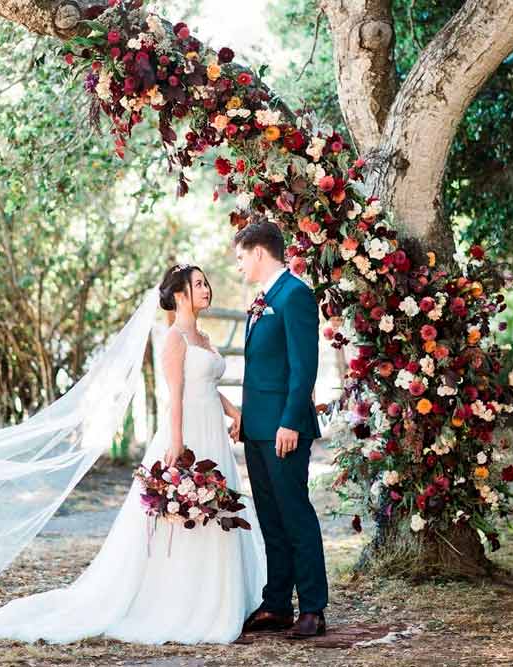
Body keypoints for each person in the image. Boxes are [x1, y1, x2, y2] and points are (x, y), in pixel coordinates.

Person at [0, 264, 266, 645]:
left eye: (206, 283)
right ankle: (179, 600)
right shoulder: (174, 338)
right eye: (198, 284)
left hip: (215, 436)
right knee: (183, 516)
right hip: (188, 434)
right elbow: (174, 396)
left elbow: (206, 385)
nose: (206, 289)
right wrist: (177, 446)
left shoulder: (204, 336)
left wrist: (233, 412)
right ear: (179, 295)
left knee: (217, 512)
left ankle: (219, 597)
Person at [233, 220, 329, 639]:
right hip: (256, 428)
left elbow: (303, 366)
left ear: (259, 252)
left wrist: (290, 420)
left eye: (240, 257)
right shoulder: (262, 299)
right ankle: (276, 604)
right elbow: (260, 366)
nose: (238, 266)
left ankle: (312, 609)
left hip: (284, 429)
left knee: (295, 516)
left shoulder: (295, 295)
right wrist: (244, 416)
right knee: (270, 518)